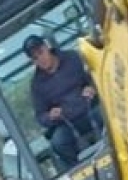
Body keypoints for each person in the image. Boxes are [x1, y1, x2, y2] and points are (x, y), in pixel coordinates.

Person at [24, 35, 104, 169]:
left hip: (91, 108)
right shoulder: (37, 85)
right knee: (58, 142)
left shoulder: (72, 58)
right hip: (67, 122)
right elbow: (40, 117)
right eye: (35, 58)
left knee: (108, 113)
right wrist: (50, 115)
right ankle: (82, 171)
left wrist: (92, 87)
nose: (40, 59)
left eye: (40, 53)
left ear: (46, 47)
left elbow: (95, 73)